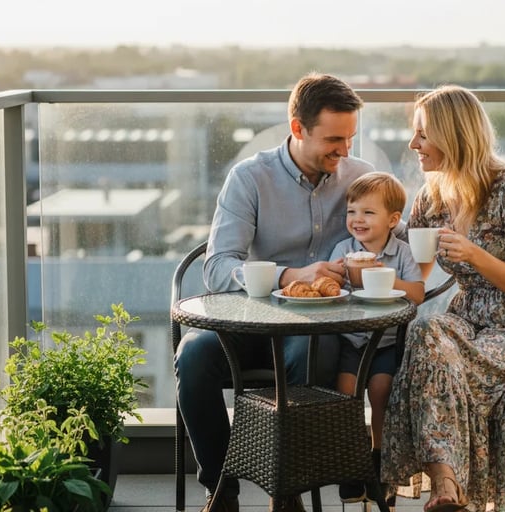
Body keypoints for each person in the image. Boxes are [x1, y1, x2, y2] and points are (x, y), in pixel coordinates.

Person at [174, 72, 380, 512]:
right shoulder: (250, 178)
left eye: (350, 139)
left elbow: (402, 232)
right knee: (192, 356)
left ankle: (286, 490)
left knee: (313, 354)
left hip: (317, 330)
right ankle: (220, 489)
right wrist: (289, 275)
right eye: (333, 140)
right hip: (251, 321)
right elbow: (216, 267)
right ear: (297, 129)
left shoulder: (361, 178)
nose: (344, 151)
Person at [381, 85, 505, 512]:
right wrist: (357, 262)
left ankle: (446, 487)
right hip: (469, 320)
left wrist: (475, 255)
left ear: (454, 135)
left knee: (435, 364)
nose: (413, 145)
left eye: (423, 135)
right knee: (426, 332)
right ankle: (447, 485)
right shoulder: (432, 196)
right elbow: (417, 270)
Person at [328, 172, 425, 504]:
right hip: (351, 340)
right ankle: (352, 462)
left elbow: (417, 293)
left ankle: (379, 457)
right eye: (352, 211)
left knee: (382, 390)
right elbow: (332, 291)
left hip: (385, 342)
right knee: (346, 392)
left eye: (368, 213)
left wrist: (387, 278)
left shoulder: (401, 253)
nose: (357, 219)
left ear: (393, 220)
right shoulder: (343, 250)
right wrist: (337, 275)